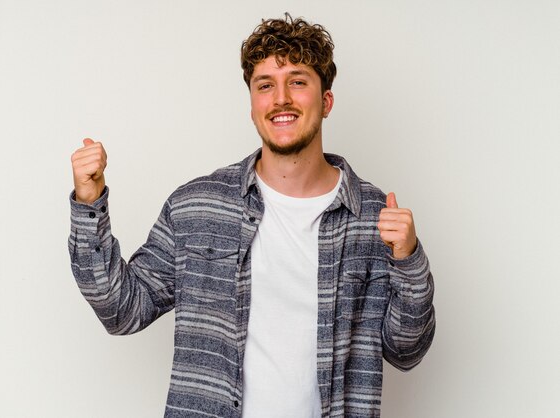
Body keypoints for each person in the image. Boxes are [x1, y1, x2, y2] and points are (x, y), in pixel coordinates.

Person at [68, 14, 435, 418]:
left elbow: (405, 351)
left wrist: (409, 260)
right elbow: (123, 310)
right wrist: (90, 203)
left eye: (297, 81)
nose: (281, 99)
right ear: (252, 106)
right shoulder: (197, 207)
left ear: (326, 101)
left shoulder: (373, 217)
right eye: (265, 86)